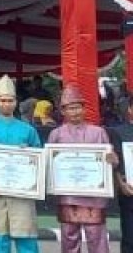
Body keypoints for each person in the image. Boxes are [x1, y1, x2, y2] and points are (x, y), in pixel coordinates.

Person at [48, 84, 118, 253]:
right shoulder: (56, 134)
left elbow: (111, 160)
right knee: (69, 237)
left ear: (84, 109)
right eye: (70, 108)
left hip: (94, 196)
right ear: (63, 111)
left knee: (96, 237)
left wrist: (112, 160)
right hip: (68, 196)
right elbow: (49, 164)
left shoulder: (98, 132)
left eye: (78, 107)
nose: (75, 112)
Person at [0, 76, 42, 253]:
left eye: (10, 100)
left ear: (16, 102)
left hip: (23, 192)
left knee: (26, 237)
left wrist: (28, 153)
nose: (7, 104)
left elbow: (39, 159)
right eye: (3, 100)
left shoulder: (28, 130)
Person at [107, 96, 133, 253]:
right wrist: (121, 184)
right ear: (130, 109)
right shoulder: (118, 132)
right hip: (129, 191)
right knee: (130, 238)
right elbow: (116, 164)